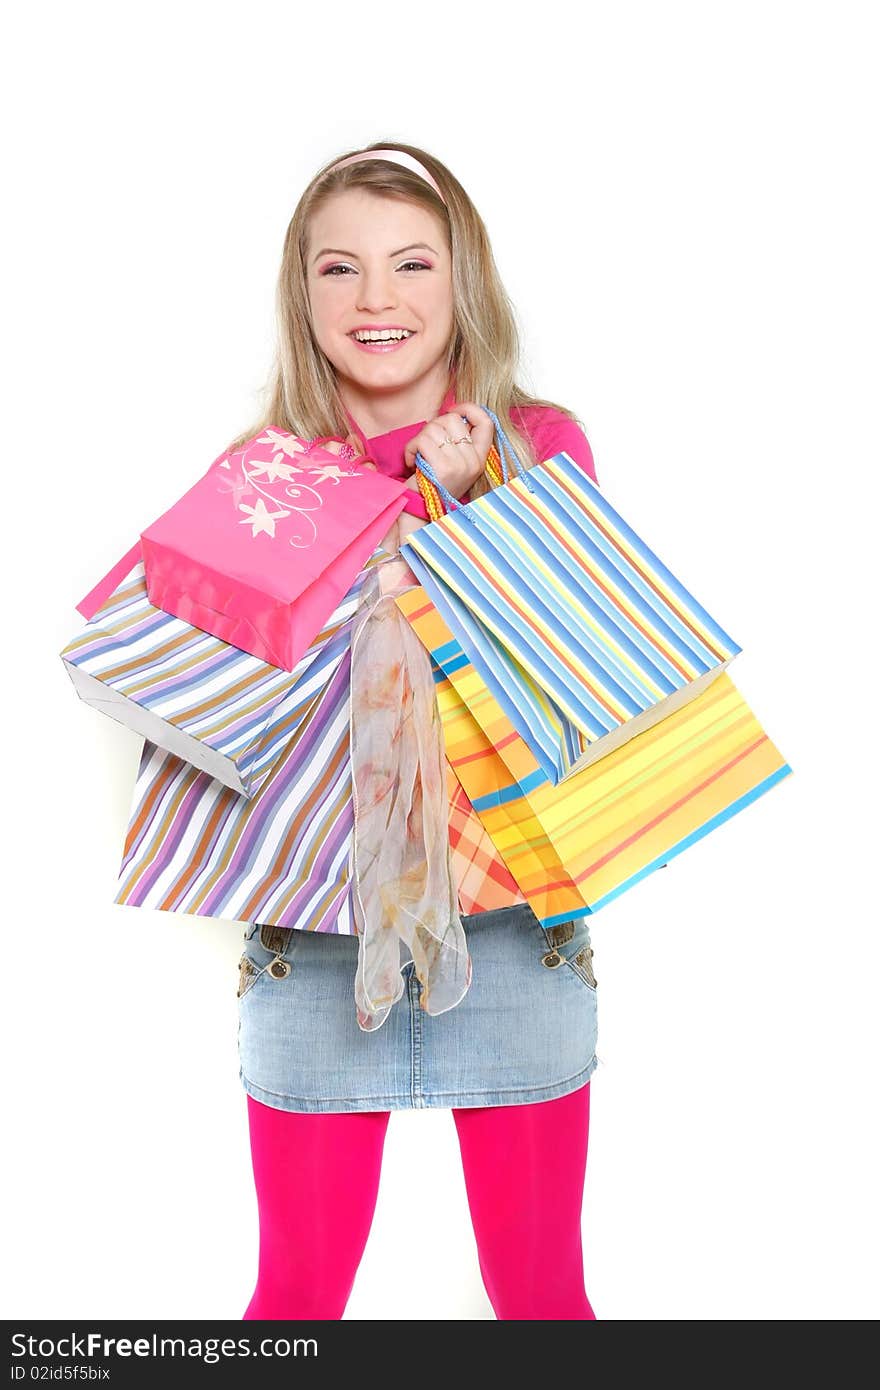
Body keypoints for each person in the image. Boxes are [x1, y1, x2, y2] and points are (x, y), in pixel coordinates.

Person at [228, 141, 602, 1322]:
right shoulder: (264, 475)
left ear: (462, 280)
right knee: (293, 1300)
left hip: (509, 909)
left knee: (540, 1295)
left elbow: (564, 676)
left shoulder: (539, 444)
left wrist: (482, 505)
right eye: (339, 268)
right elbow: (242, 703)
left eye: (410, 264)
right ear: (304, 294)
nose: (376, 300)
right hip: (318, 920)